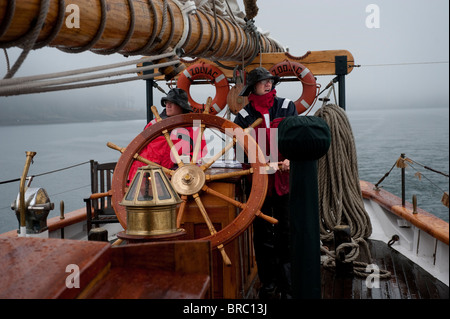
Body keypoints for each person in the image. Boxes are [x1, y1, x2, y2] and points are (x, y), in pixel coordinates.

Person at [234, 67, 298, 299]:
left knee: (286, 232)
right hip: (259, 186)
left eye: (269, 81)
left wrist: (290, 157)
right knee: (262, 236)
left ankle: (288, 285)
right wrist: (255, 165)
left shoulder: (286, 106)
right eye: (262, 82)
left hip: (283, 182)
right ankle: (268, 284)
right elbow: (240, 153)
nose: (268, 84)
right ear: (253, 87)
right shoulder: (243, 117)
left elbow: (295, 137)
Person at [127, 88, 206, 183]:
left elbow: (200, 152)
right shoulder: (153, 125)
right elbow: (139, 149)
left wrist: (179, 167)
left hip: (178, 178)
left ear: (181, 106)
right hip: (147, 176)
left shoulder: (193, 128)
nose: (168, 105)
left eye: (172, 102)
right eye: (167, 102)